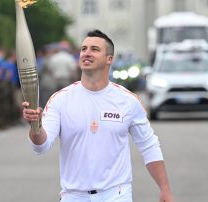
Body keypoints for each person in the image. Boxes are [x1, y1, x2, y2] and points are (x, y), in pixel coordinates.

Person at [23, 30, 174, 202]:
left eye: (94, 49)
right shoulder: (60, 100)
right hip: (73, 196)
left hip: (116, 194)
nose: (86, 53)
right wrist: (36, 126)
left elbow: (149, 145)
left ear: (109, 58)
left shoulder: (127, 101)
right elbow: (40, 146)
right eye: (83, 49)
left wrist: (165, 189)